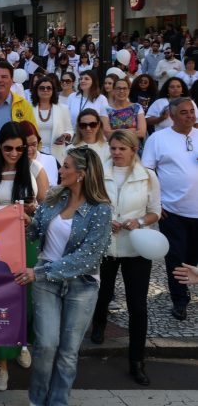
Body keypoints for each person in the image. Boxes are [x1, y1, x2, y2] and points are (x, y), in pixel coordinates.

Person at [20, 147, 112, 406]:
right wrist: (25, 221)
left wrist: (39, 272)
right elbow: (35, 232)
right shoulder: (53, 196)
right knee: (46, 345)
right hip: (46, 281)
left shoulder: (101, 209)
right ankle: (37, 401)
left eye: (66, 166)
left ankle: (58, 402)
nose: (60, 170)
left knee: (68, 352)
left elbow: (88, 257)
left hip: (81, 284)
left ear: (82, 174)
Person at [0, 122, 48, 391]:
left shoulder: (34, 169)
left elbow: (48, 208)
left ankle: (21, 341)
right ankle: (2, 366)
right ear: (0, 147)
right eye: (8, 148)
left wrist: (33, 211)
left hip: (26, 240)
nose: (14, 153)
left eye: (20, 148)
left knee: (27, 299)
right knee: (0, 302)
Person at [90, 130, 160, 386]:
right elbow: (90, 205)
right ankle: (99, 323)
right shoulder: (99, 173)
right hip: (107, 245)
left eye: (122, 148)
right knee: (103, 291)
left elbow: (155, 211)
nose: (117, 153)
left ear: (133, 150)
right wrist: (105, 221)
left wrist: (138, 221)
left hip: (136, 246)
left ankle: (137, 360)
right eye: (113, 148)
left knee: (138, 305)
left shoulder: (148, 176)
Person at [141, 97, 198, 321]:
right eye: (184, 112)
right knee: (175, 257)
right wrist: (156, 203)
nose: (190, 116)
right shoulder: (158, 139)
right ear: (172, 116)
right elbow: (147, 171)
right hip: (172, 211)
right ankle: (180, 300)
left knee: (192, 257)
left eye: (192, 111)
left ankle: (187, 282)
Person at [31, 75, 72, 164]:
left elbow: (70, 130)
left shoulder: (63, 108)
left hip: (56, 153)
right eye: (42, 88)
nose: (45, 90)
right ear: (36, 90)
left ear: (53, 91)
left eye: (49, 88)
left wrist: (65, 135)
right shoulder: (29, 109)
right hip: (34, 153)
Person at [21, 121, 59, 187]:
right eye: (25, 145)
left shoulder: (51, 160)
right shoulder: (12, 163)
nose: (29, 149)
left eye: (33, 144)